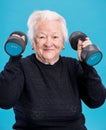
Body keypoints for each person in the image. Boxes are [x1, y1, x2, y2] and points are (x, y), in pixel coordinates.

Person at [0, 10, 105, 130]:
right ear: (33, 43)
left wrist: (86, 65)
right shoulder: (20, 67)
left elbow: (96, 101)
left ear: (63, 43)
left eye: (55, 37)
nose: (49, 43)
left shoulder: (74, 66)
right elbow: (4, 101)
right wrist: (14, 58)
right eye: (42, 37)